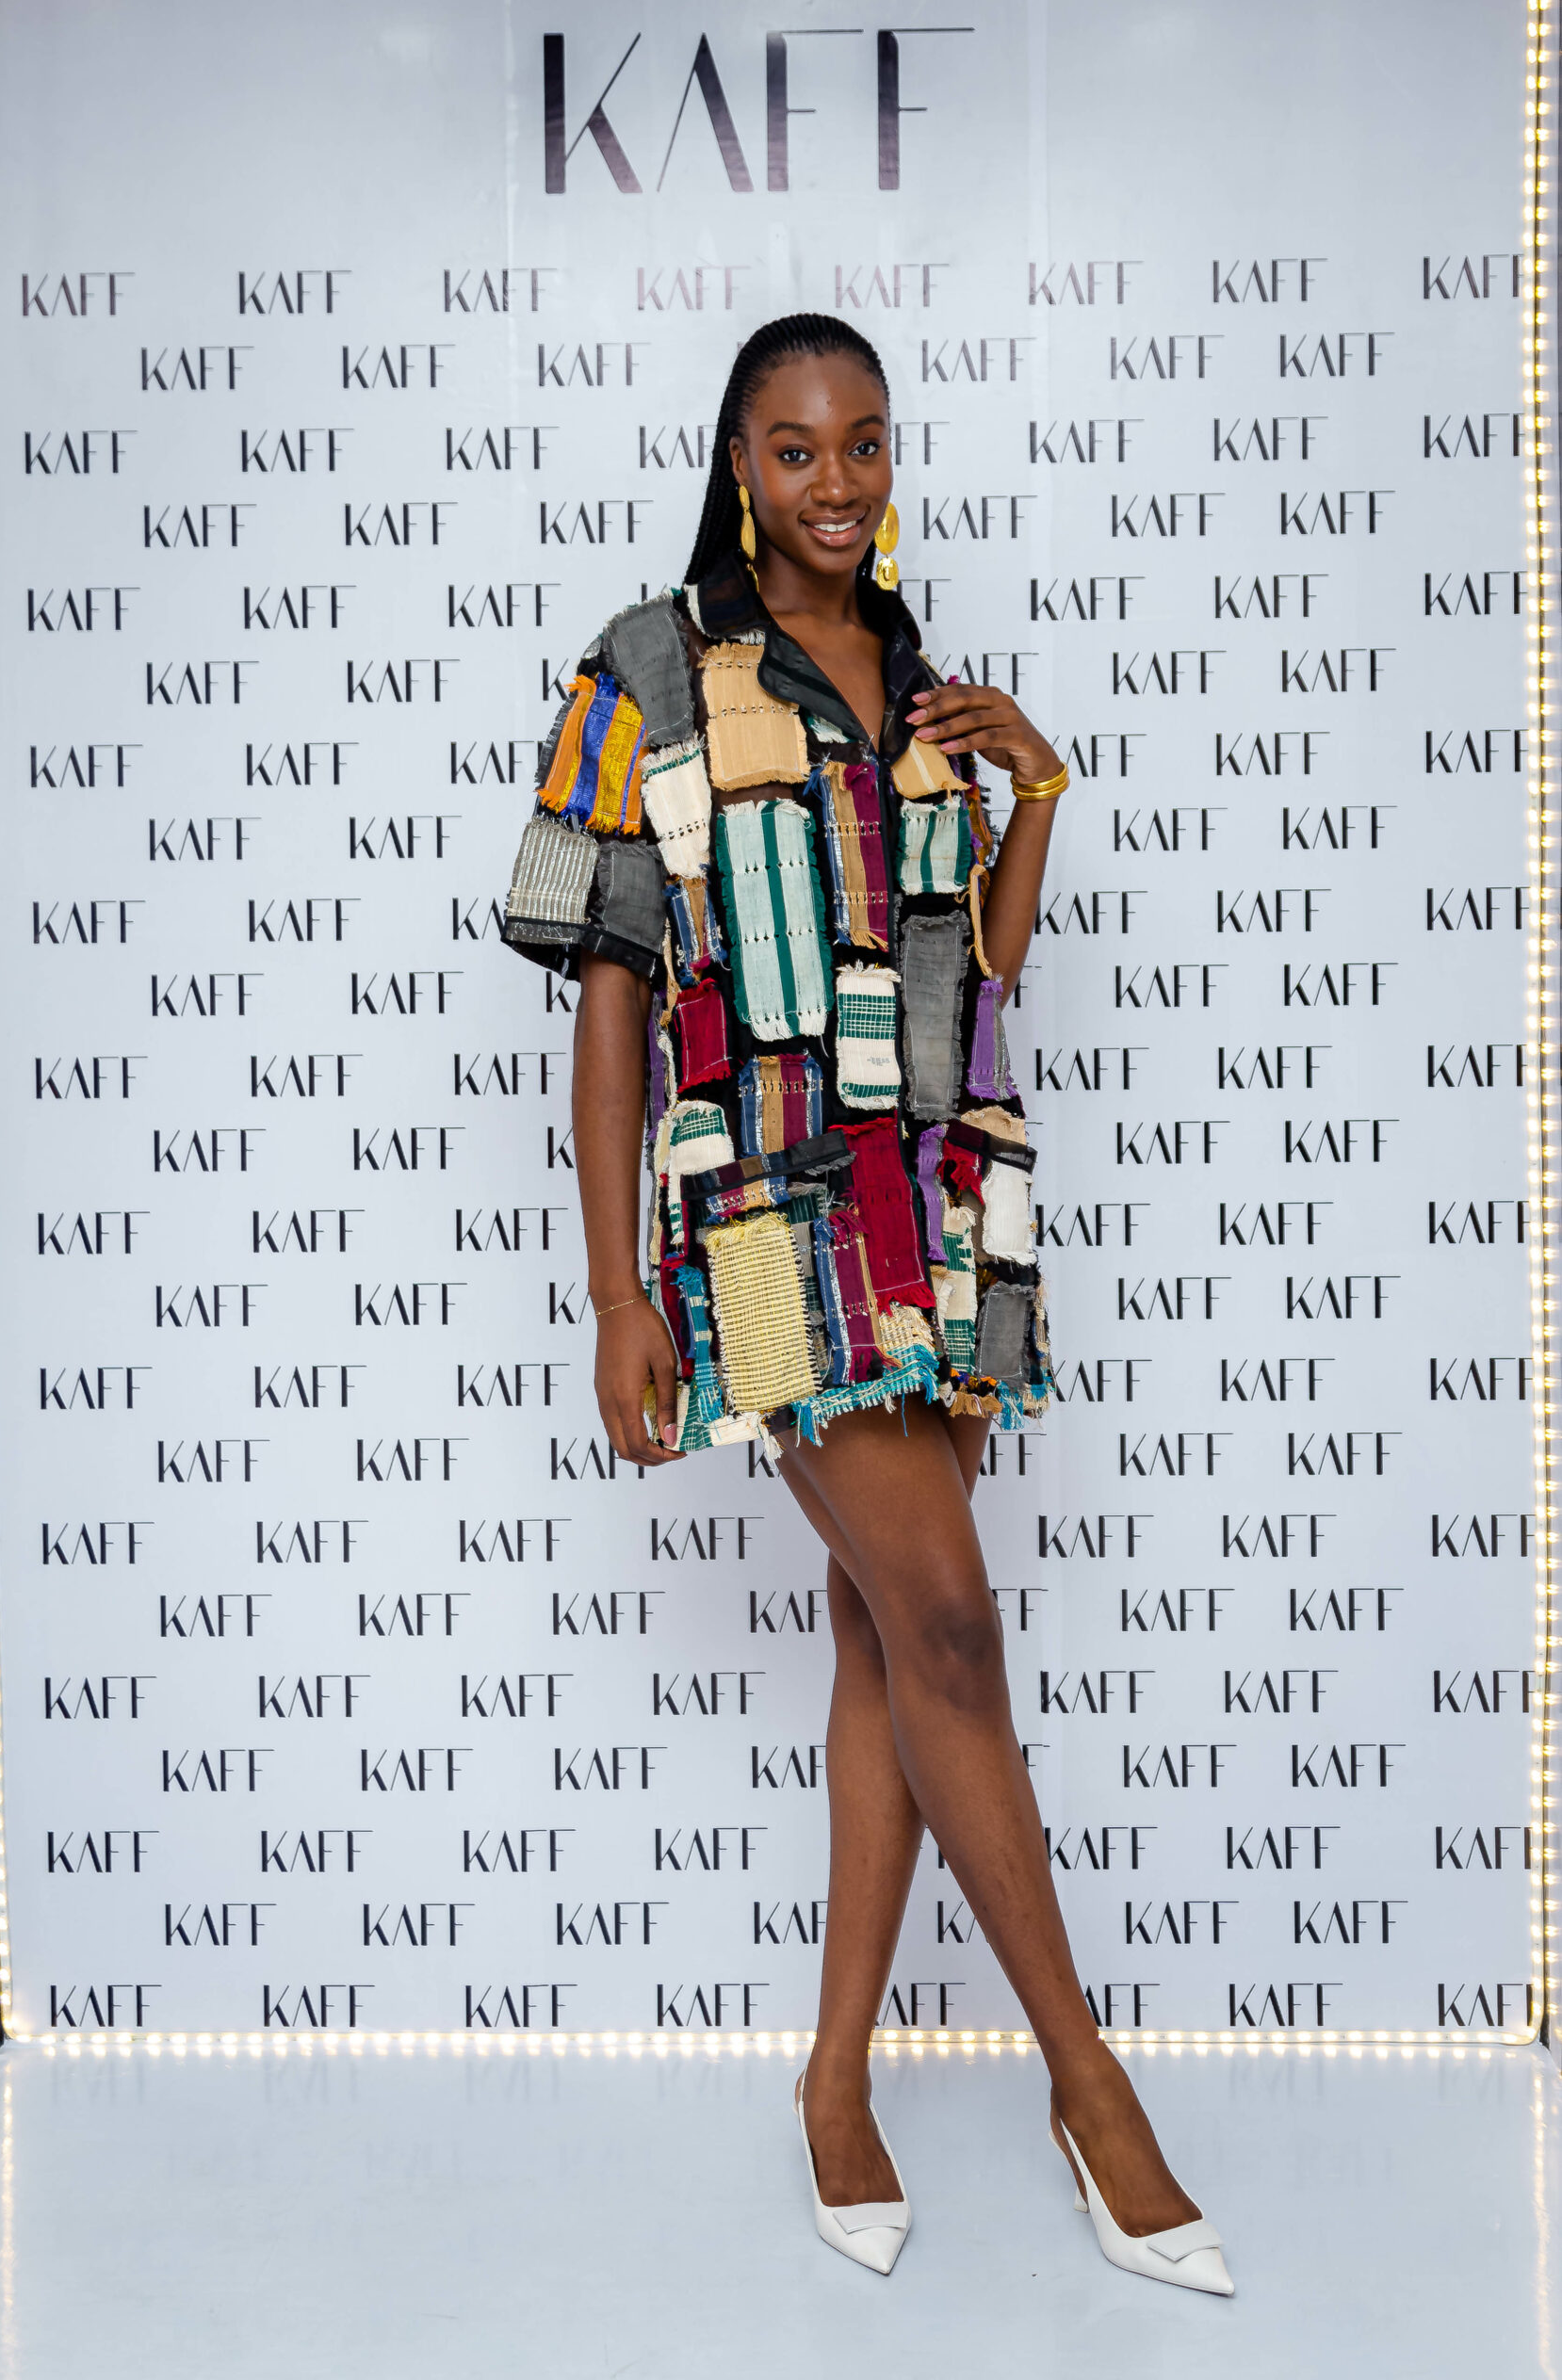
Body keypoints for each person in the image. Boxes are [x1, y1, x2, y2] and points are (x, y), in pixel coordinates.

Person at [499, 313, 1231, 2296]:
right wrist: (612, 1291)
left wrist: (1033, 795)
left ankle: (835, 2081)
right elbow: (609, 1002)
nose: (838, 482)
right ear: (739, 462)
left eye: (866, 445)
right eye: (798, 447)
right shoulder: (646, 673)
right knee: (954, 1629)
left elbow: (963, 972)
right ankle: (1092, 2088)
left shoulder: (917, 686)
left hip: (938, 1210)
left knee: (884, 1645)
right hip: (765, 1221)